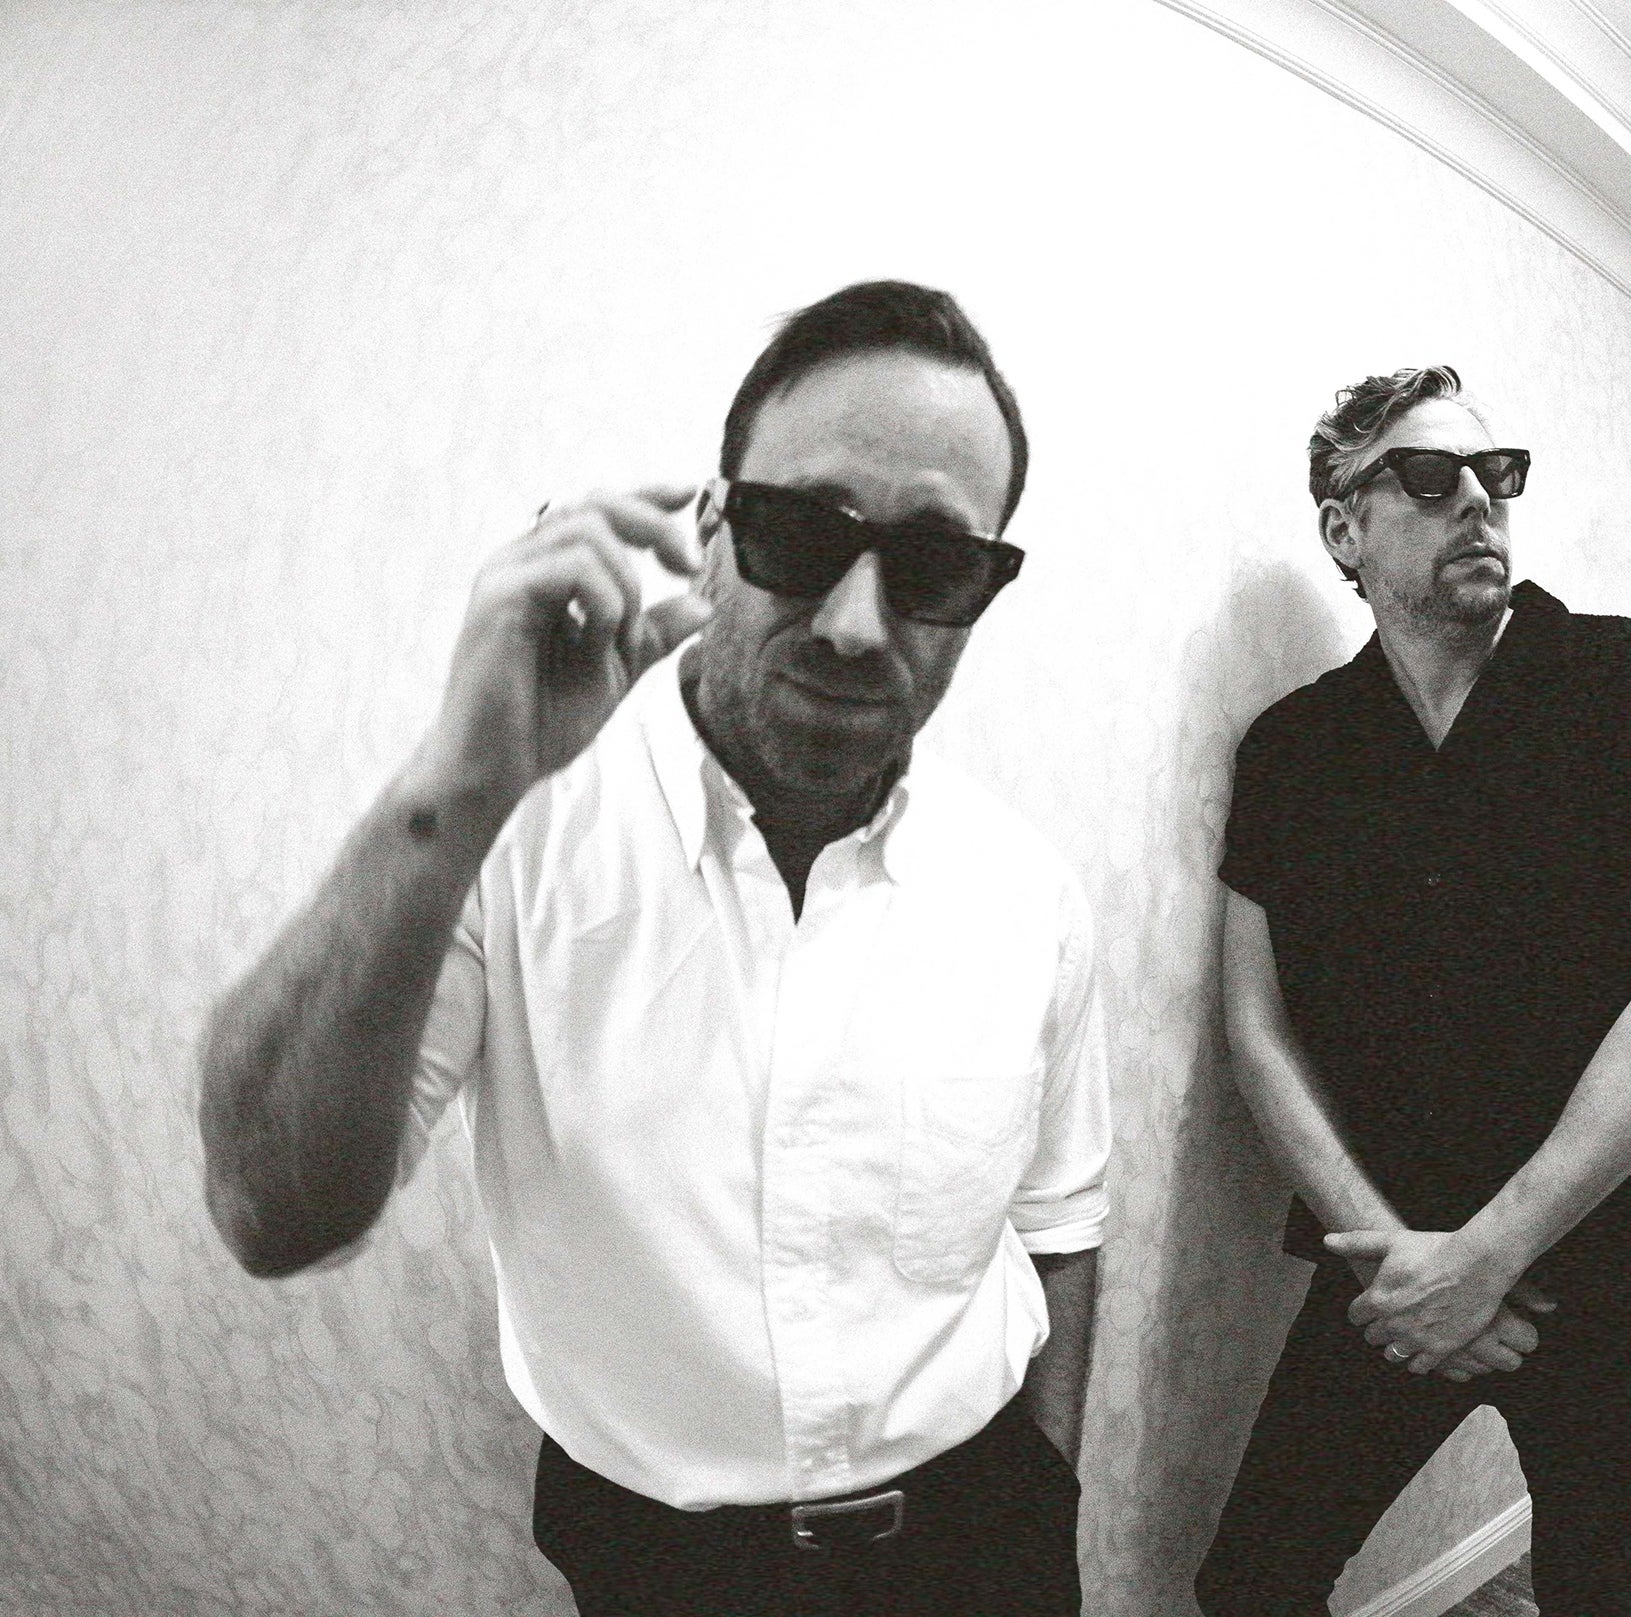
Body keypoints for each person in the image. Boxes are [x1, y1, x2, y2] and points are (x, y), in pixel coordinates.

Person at [197, 281, 1107, 1617]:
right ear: (713, 530)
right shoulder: (508, 837)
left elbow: (1061, 1224)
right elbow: (271, 1215)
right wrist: (453, 783)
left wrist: (1048, 1482)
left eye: (932, 565)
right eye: (802, 532)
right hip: (669, 1569)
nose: (856, 624)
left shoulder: (1028, 891)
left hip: (983, 1539)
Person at [1195, 365, 1631, 1616]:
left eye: (1495, 475)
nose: (1476, 500)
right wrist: (1401, 1269)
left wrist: (1487, 1258)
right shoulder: (1292, 749)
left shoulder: (1629, 683)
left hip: (1621, 1267)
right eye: (1426, 476)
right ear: (1343, 529)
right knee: (1248, 1585)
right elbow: (1255, 1030)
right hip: (1388, 1265)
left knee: (1591, 1593)